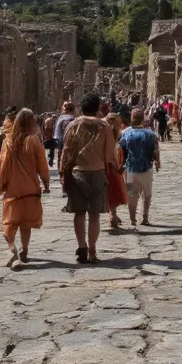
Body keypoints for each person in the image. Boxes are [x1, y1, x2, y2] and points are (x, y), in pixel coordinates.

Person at [60, 93, 117, 264]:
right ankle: (92, 250)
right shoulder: (104, 126)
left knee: (79, 213)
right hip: (97, 172)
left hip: (78, 173)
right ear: (97, 107)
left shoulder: (73, 126)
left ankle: (82, 246)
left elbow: (66, 152)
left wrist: (63, 173)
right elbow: (109, 154)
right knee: (94, 215)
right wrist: (115, 167)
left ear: (81, 108)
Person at [0, 108, 50, 270]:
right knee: (26, 223)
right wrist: (46, 182)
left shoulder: (8, 141)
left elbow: (2, 166)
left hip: (13, 188)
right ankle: (24, 251)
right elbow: (42, 165)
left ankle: (13, 250)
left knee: (9, 223)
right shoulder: (34, 141)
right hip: (31, 188)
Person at [118, 108, 160, 227]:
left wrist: (120, 165)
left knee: (131, 195)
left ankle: (132, 219)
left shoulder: (125, 133)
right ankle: (145, 217)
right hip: (146, 168)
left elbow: (120, 150)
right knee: (147, 194)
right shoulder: (151, 134)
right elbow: (156, 151)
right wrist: (158, 163)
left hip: (130, 169)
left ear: (131, 119)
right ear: (143, 119)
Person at [105, 113, 128, 230]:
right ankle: (112, 215)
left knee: (108, 192)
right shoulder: (118, 135)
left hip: (104, 165)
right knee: (114, 191)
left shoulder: (103, 132)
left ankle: (112, 215)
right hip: (113, 165)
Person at [54, 101, 76, 174]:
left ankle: (61, 172)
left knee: (61, 158)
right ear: (73, 110)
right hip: (72, 145)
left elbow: (58, 133)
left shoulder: (61, 119)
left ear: (65, 110)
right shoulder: (74, 120)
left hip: (62, 143)